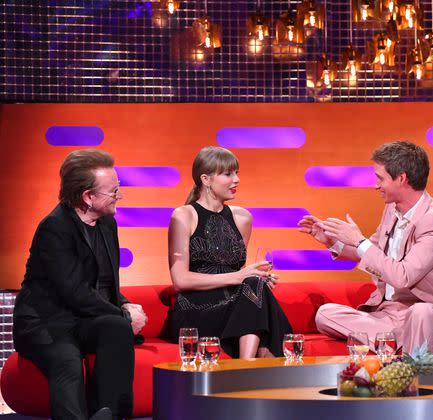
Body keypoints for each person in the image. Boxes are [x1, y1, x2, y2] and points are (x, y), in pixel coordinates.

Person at [12, 149, 148, 420]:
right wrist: (122, 313)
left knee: (116, 329)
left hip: (82, 318)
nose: (119, 196)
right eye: (113, 191)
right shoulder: (55, 228)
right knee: (67, 362)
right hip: (47, 323)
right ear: (88, 196)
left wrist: (124, 306)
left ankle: (110, 414)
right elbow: (74, 291)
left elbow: (104, 281)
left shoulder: (107, 223)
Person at [298, 141, 433, 353]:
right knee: (325, 314)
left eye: (380, 178)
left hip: (428, 311)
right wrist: (332, 241)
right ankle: (394, 342)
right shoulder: (391, 210)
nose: (375, 185)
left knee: (421, 314)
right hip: (388, 315)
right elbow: (372, 254)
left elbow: (402, 276)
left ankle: (403, 365)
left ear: (402, 178)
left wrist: (359, 240)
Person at [167, 146, 292, 359]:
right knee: (256, 295)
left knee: (257, 286)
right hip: (196, 307)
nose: (236, 180)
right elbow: (180, 280)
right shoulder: (184, 215)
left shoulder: (243, 218)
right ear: (205, 179)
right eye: (228, 174)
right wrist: (241, 277)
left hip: (233, 306)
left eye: (237, 173)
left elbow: (237, 272)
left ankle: (247, 367)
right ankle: (255, 368)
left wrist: (256, 278)